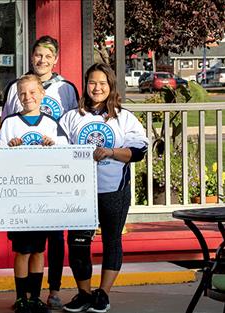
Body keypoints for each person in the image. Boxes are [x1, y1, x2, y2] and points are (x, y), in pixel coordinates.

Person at [59, 63, 148, 313]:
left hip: (113, 189)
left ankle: (103, 294)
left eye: (102, 83)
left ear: (111, 86)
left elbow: (139, 151)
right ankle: (84, 294)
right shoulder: (71, 117)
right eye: (92, 83)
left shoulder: (124, 117)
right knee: (77, 242)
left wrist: (110, 151)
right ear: (85, 85)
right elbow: (57, 148)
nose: (97, 88)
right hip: (79, 192)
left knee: (111, 240)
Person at [1, 35, 79, 309]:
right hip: (22, 188)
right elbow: (4, 136)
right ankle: (23, 297)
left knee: (52, 241)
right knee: (24, 248)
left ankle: (51, 290)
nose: (42, 60)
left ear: (55, 59)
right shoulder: (15, 94)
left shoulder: (65, 90)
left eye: (48, 55)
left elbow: (70, 131)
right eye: (38, 55)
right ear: (31, 56)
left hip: (50, 183)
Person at [0, 74, 68, 313]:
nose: (28, 97)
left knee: (38, 250)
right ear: (18, 97)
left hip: (43, 197)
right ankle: (21, 297)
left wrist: (53, 148)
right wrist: (10, 149)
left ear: (42, 94)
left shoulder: (52, 124)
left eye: (33, 92)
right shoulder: (10, 123)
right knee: (22, 250)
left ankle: (35, 296)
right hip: (20, 197)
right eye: (23, 94)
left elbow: (66, 156)